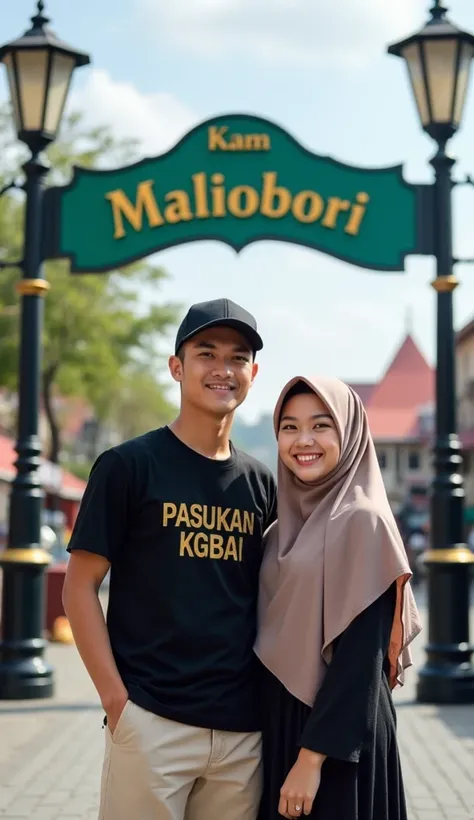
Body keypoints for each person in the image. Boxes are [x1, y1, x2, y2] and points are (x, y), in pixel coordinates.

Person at [62, 298, 277, 820]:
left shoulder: (262, 483)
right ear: (177, 368)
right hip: (152, 721)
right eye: (206, 353)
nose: (223, 368)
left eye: (238, 356)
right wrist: (118, 704)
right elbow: (79, 587)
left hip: (242, 733)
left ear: (254, 372)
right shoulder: (127, 466)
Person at [255, 376, 422, 820]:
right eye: (289, 427)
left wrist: (311, 760)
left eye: (321, 425)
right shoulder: (279, 531)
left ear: (348, 434)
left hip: (338, 742)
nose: (303, 440)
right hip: (284, 726)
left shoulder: (363, 522)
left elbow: (359, 662)